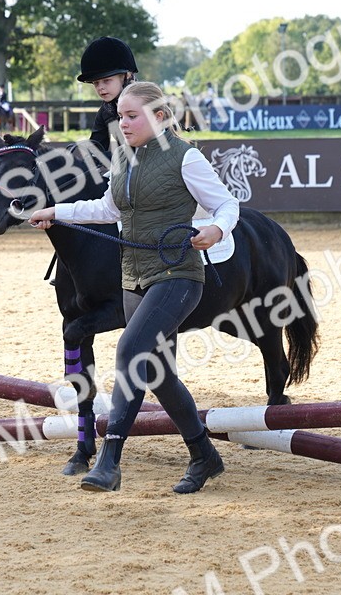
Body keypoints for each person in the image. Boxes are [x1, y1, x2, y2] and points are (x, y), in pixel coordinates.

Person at [29, 81, 240, 494]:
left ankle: (109, 461)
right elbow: (107, 209)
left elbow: (227, 203)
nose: (122, 124)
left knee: (128, 350)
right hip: (134, 276)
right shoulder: (124, 159)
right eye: (120, 117)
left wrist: (216, 228)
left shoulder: (186, 157)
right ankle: (204, 455)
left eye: (131, 116)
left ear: (160, 117)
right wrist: (58, 211)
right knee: (158, 374)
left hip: (178, 274)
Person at [78, 36, 138, 155]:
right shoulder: (106, 110)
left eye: (106, 80)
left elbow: (143, 153)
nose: (100, 87)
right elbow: (95, 147)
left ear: (127, 75)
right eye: (96, 83)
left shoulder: (147, 102)